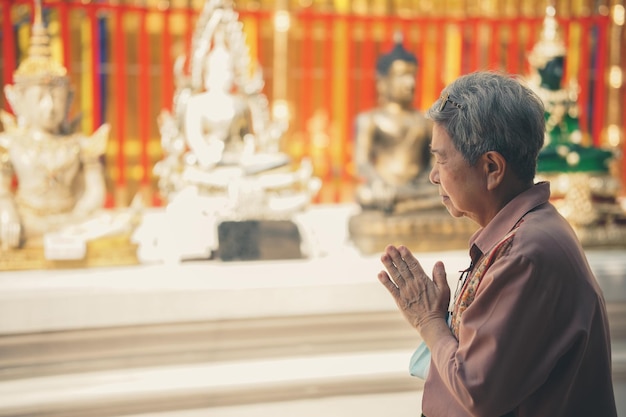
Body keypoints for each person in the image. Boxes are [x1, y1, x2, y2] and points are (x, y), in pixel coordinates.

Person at [377, 71, 617, 416]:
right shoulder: (525, 234)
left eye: (442, 159)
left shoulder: (527, 254)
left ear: (491, 167)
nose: (433, 176)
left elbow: (476, 389)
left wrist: (429, 321)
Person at [0, 0, 109, 249]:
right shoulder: (9, 145)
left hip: (73, 220)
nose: (50, 107)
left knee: (112, 225)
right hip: (27, 220)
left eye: (56, 98)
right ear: (18, 101)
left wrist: (77, 218)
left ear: (69, 99)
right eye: (40, 98)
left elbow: (95, 194)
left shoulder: (81, 144)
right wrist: (6, 210)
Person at [353, 34, 439, 214]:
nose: (410, 83)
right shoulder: (370, 120)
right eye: (402, 76)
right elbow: (362, 162)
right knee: (365, 195)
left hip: (417, 188)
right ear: (383, 82)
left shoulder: (425, 120)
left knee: (445, 195)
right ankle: (406, 206)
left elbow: (434, 160)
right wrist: (377, 182)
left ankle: (402, 206)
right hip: (384, 187)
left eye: (413, 76)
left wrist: (430, 179)